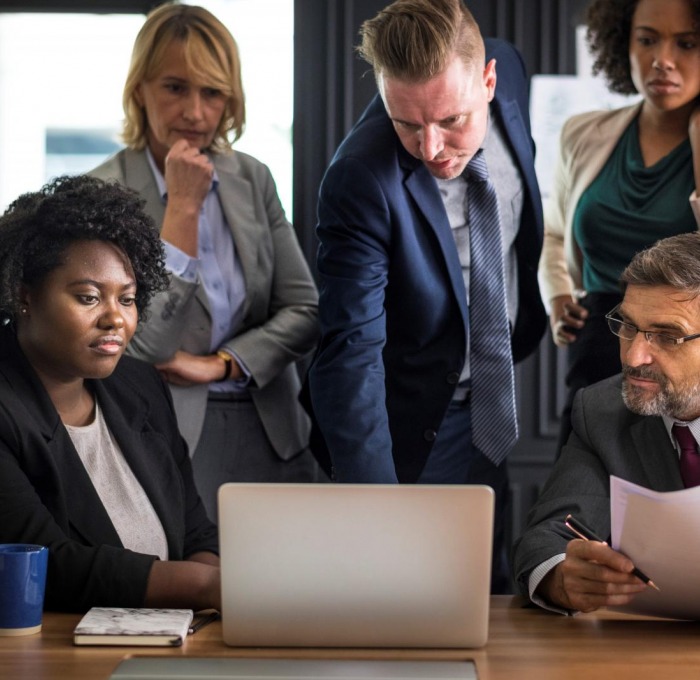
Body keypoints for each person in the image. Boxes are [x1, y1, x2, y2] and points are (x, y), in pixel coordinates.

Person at [307, 0, 546, 593]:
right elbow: (349, 349)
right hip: (408, 425)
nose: (432, 147)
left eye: (451, 120)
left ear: (489, 79)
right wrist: (378, 508)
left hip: (492, 398)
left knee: (481, 591)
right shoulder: (359, 179)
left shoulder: (509, 68)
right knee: (403, 598)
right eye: (407, 124)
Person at [90, 3, 322, 522]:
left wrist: (221, 363)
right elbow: (145, 344)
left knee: (290, 595)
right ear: (140, 89)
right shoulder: (103, 192)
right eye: (175, 87)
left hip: (275, 432)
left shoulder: (252, 177)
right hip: (166, 435)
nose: (195, 112)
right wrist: (185, 207)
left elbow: (305, 310)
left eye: (212, 92)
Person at [0, 175, 220, 612]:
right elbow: (48, 565)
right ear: (25, 296)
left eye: (127, 299)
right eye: (88, 297)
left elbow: (196, 532)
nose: (114, 319)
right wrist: (200, 588)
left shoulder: (140, 386)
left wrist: (207, 606)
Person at [540, 0, 700, 453]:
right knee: (580, 494)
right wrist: (557, 294)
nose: (662, 59)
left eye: (687, 43)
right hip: (600, 337)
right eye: (647, 39)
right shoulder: (582, 133)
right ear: (620, 43)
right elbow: (555, 231)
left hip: (685, 348)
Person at [513, 231, 700, 614]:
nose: (634, 356)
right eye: (628, 326)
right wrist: (562, 577)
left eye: (667, 336)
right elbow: (546, 538)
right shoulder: (602, 410)